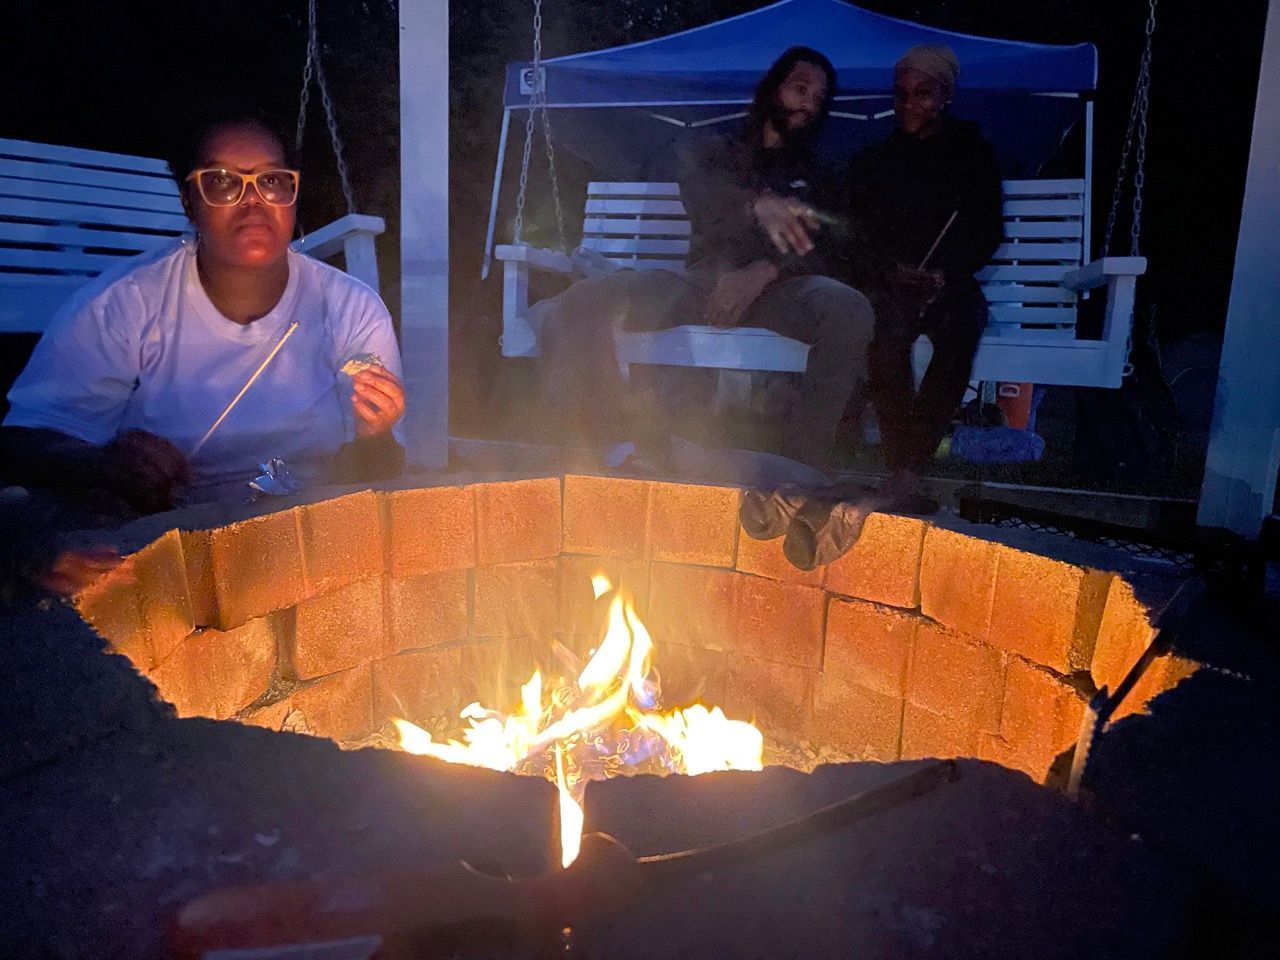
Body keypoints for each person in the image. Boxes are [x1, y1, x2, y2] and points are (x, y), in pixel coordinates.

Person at [0, 115, 406, 513]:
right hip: (168, 527)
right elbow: (23, 441)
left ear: (292, 197)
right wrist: (104, 465)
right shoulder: (125, 303)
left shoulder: (351, 308)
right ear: (188, 202)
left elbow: (380, 477)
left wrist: (376, 434)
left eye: (272, 181)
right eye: (222, 182)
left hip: (311, 522)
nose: (253, 201)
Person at [535, 46, 875, 471]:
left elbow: (834, 245)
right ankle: (615, 450)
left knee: (849, 307)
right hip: (700, 285)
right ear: (771, 89)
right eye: (801, 89)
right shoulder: (717, 151)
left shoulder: (821, 173)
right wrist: (756, 204)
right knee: (584, 299)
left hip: (783, 293)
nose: (809, 104)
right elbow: (701, 194)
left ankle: (799, 472)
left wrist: (764, 271)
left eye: (819, 99)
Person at [845, 43, 1003, 506]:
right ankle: (903, 466)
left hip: (948, 281)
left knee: (960, 331)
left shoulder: (972, 153)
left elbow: (986, 229)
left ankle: (907, 468)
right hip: (892, 282)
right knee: (885, 335)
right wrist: (891, 271)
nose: (910, 104)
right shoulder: (874, 160)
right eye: (902, 94)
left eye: (923, 93)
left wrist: (944, 273)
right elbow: (858, 235)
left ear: (946, 95)